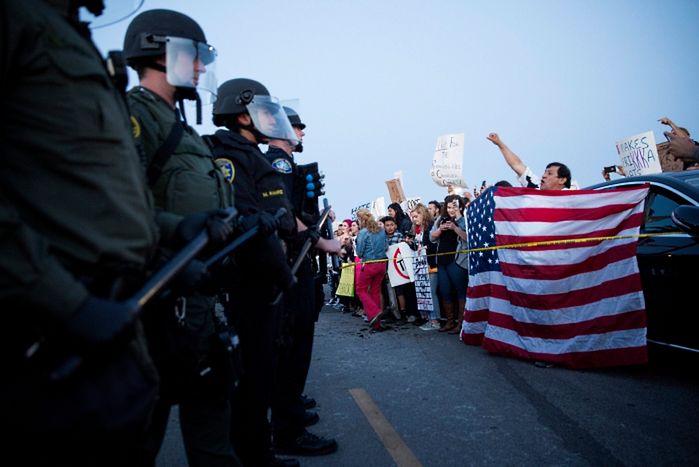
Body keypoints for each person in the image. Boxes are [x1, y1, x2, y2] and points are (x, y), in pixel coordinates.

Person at [1, 1, 161, 465]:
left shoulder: (69, 35)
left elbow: (105, 194)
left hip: (107, 309)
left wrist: (171, 233)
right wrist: (62, 299)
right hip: (47, 319)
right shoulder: (21, 20)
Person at [123, 9, 242, 466]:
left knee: (213, 425)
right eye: (193, 56)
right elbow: (120, 209)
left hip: (200, 300)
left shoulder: (185, 130)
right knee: (139, 433)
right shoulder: (134, 117)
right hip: (154, 302)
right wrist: (174, 237)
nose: (199, 67)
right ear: (159, 51)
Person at [206, 77, 301, 467]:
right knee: (252, 377)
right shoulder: (233, 156)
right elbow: (251, 223)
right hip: (252, 282)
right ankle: (255, 455)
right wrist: (285, 277)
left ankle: (255, 449)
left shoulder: (250, 152)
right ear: (243, 115)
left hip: (262, 279)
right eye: (261, 112)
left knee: (259, 373)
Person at [264, 105, 341, 458]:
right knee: (292, 348)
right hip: (291, 264)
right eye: (297, 128)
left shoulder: (285, 164)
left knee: (295, 348)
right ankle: (287, 429)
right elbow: (284, 213)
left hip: (294, 262)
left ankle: (289, 410)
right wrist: (324, 241)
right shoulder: (278, 162)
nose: (302, 134)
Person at [430, 195, 469, 334]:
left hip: (457, 261)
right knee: (445, 291)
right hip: (441, 261)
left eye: (454, 206)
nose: (451, 209)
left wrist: (455, 227)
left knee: (460, 291)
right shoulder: (441, 219)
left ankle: (461, 323)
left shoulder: (463, 219)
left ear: (460, 206)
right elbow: (431, 237)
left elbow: (468, 238)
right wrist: (440, 229)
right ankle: (449, 321)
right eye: (448, 207)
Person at [487, 133, 571, 190]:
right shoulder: (535, 186)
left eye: (549, 173)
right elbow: (517, 165)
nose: (544, 176)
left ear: (562, 180)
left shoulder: (573, 198)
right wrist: (500, 144)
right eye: (545, 173)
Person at [355, 209, 389, 331]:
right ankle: (376, 323)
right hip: (382, 264)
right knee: (375, 290)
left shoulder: (363, 232)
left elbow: (359, 252)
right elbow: (386, 247)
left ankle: (375, 312)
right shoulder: (381, 230)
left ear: (361, 220)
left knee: (360, 289)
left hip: (370, 264)